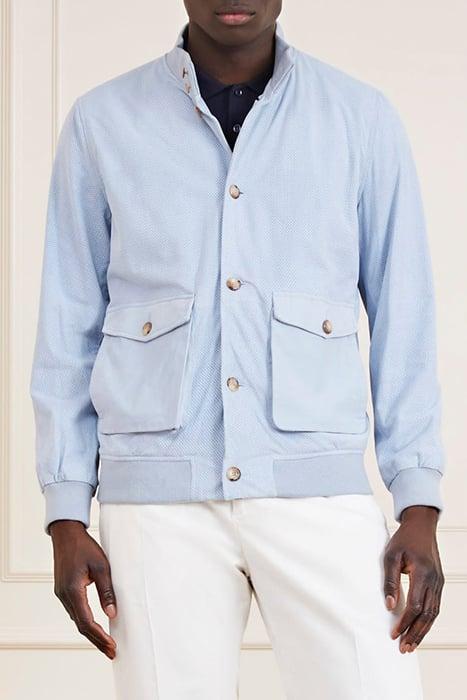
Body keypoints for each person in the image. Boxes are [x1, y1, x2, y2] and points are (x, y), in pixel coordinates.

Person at [29, 1, 445, 697]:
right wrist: (66, 515)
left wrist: (419, 503)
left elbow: (405, 316)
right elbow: (68, 323)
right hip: (156, 502)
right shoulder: (102, 121)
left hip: (318, 487)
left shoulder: (359, 118)